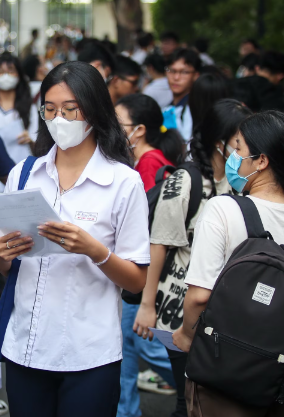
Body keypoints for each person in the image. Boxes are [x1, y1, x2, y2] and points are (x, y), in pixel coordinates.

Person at [0, 61, 149, 416]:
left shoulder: (123, 182)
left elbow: (137, 280)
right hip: (26, 346)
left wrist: (94, 250)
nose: (59, 118)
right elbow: (6, 266)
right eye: (49, 109)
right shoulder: (24, 174)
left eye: (69, 109)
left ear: (94, 110)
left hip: (90, 353)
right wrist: (3, 252)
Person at [172, 110, 284, 415]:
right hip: (282, 379)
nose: (232, 157)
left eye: (238, 149)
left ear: (261, 161)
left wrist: (186, 335)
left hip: (221, 373)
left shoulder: (223, 209)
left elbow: (200, 296)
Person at [137, 99, 251, 416]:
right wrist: (147, 306)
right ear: (220, 142)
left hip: (224, 309)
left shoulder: (242, 181)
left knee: (207, 397)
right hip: (178, 305)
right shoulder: (185, 180)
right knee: (186, 398)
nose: (247, 150)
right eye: (241, 142)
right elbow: (158, 243)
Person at [114, 94, 184, 416]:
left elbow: (147, 229)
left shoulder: (149, 164)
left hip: (141, 275)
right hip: (139, 273)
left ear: (139, 129)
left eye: (119, 122)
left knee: (147, 346)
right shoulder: (147, 161)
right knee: (129, 350)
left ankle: (202, 385)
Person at [0, 52, 38, 191]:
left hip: (22, 175)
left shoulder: (29, 107)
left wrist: (31, 141)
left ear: (19, 75)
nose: (5, 76)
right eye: (0, 72)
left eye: (10, 71)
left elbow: (38, 146)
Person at [116, 93, 184, 190]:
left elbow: (147, 204)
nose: (112, 129)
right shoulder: (151, 158)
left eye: (118, 124)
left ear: (139, 130)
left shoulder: (149, 164)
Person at [163, 48, 202, 141]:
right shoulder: (168, 107)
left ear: (196, 75)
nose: (176, 77)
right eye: (172, 70)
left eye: (184, 72)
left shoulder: (195, 109)